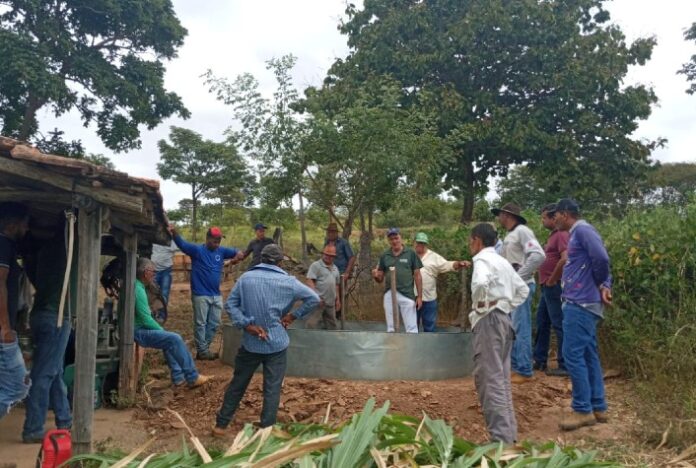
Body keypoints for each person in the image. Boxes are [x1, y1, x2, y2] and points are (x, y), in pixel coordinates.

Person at [213, 244, 319, 435]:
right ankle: (267, 430)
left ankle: (221, 425)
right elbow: (313, 298)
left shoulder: (246, 279)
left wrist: (247, 325)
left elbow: (230, 305)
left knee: (238, 383)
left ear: (261, 259)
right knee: (272, 388)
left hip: (251, 343)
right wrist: (293, 316)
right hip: (276, 343)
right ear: (279, 262)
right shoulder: (289, 282)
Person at [554, 199, 612, 431]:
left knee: (572, 355)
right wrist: (604, 283)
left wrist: (600, 282)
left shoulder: (583, 231)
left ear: (566, 214)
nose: (554, 218)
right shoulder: (579, 232)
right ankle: (598, 407)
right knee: (588, 355)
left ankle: (582, 410)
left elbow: (602, 259)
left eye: (555, 214)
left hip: (581, 304)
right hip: (584, 303)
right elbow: (598, 259)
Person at [468, 223, 529, 444]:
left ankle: (501, 442)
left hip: (489, 321)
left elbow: (480, 283)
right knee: (501, 381)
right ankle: (509, 437)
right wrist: (505, 304)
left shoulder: (482, 260)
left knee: (490, 380)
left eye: (470, 241)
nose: (470, 246)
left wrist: (484, 304)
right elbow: (523, 290)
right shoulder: (502, 262)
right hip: (504, 320)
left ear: (476, 240)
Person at [21, 221, 76, 443]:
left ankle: (64, 420)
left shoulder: (43, 253)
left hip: (42, 315)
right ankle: (33, 429)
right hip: (57, 317)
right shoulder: (67, 248)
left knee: (54, 371)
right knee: (43, 374)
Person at [133, 258, 209, 388]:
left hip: (136, 328)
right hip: (136, 331)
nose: (154, 274)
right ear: (146, 273)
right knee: (174, 339)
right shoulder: (138, 289)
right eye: (153, 272)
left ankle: (178, 378)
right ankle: (192, 377)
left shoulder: (137, 285)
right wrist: (161, 331)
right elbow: (146, 319)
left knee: (169, 340)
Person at [491, 202, 545, 383]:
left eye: (500, 215)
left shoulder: (523, 231)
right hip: (511, 289)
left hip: (520, 288)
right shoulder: (510, 235)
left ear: (507, 215)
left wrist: (518, 277)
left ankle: (524, 370)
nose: (499, 218)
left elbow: (538, 255)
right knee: (512, 328)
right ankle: (516, 367)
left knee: (521, 328)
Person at [171, 225, 243, 360]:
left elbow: (236, 252)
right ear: (207, 238)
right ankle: (203, 351)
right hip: (200, 293)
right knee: (201, 323)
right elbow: (182, 244)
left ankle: (203, 349)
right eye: (214, 241)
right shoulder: (197, 250)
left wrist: (238, 254)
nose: (217, 244)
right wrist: (174, 232)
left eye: (219, 241)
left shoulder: (221, 251)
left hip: (216, 294)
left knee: (215, 322)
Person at [0, 202, 31, 420]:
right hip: (2, 330)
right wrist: (5, 327)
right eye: (25, 224)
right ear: (12, 223)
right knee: (18, 386)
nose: (27, 229)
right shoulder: (3, 244)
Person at [533, 204, 570, 376]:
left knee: (558, 324)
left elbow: (565, 259)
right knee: (542, 321)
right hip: (547, 285)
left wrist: (552, 278)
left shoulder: (561, 235)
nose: (542, 221)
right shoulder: (554, 236)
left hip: (553, 286)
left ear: (553, 218)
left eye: (544, 218)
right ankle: (539, 360)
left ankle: (565, 364)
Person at [413, 232, 468, 332]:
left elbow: (447, 265)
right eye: (418, 243)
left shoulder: (434, 257)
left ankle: (429, 346)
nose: (420, 245)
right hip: (412, 297)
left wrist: (459, 263)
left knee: (429, 326)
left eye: (422, 243)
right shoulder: (409, 255)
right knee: (412, 327)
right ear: (414, 243)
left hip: (429, 298)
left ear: (426, 244)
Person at [371, 228, 423, 333]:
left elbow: (417, 275)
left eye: (396, 238)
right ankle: (393, 349)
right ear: (388, 241)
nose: (394, 241)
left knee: (411, 327)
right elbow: (380, 278)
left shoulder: (410, 253)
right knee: (391, 327)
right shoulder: (385, 255)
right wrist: (376, 276)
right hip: (390, 293)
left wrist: (420, 297)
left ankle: (412, 348)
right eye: (391, 239)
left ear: (401, 238)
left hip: (407, 294)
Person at [306, 244, 340, 330]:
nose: (328, 257)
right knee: (312, 324)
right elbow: (309, 280)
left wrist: (338, 299)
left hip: (330, 302)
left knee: (332, 325)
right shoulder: (316, 265)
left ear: (334, 257)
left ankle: (331, 341)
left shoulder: (335, 268)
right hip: (318, 302)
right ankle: (308, 340)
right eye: (326, 254)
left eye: (331, 255)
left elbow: (336, 284)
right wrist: (316, 296)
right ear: (323, 254)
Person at [324, 223, 355, 317]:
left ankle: (339, 318)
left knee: (339, 296)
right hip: (328, 273)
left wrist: (347, 272)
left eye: (333, 232)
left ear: (336, 233)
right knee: (328, 295)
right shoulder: (326, 242)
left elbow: (352, 257)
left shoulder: (343, 242)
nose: (330, 234)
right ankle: (329, 317)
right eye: (329, 232)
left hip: (341, 273)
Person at [151, 239, 178, 304]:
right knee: (152, 293)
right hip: (153, 271)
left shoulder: (171, 241)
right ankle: (152, 312)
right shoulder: (153, 238)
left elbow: (179, 247)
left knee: (164, 294)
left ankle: (162, 313)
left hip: (166, 271)